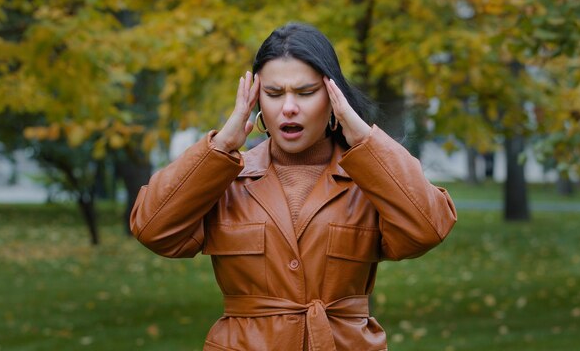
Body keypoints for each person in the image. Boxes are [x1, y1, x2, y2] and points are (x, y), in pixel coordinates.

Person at [131, 23, 457, 351]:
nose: (288, 107)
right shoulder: (226, 178)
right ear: (257, 100)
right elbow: (153, 229)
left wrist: (364, 139)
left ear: (333, 99)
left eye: (305, 92)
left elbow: (427, 228)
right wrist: (220, 147)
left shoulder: (367, 178)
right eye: (273, 94)